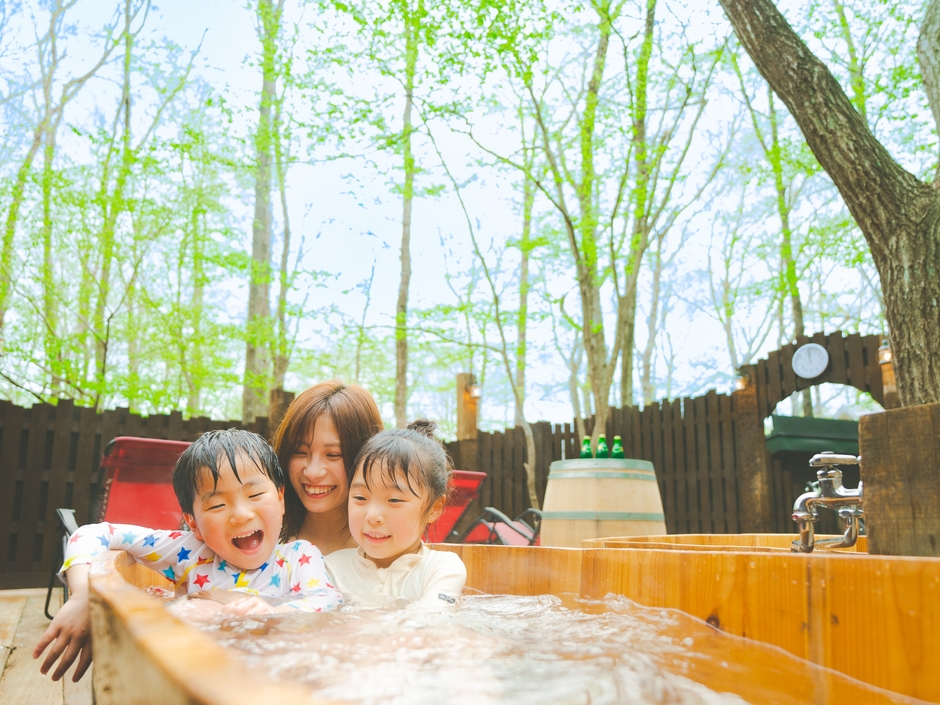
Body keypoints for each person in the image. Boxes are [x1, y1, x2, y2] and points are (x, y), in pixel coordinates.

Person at [34, 429, 342, 683]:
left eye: (254, 495)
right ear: (193, 523)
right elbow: (92, 533)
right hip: (196, 677)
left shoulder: (298, 557)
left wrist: (274, 612)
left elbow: (326, 602)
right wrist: (83, 596)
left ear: (280, 497)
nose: (240, 514)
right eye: (217, 505)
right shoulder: (190, 552)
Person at [325, 420, 467, 609]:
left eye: (394, 500)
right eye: (360, 497)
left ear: (434, 507)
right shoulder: (331, 568)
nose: (373, 516)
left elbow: (431, 620)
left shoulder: (441, 569)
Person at [272, 380, 384, 554]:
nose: (313, 472)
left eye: (333, 455)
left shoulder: (393, 556)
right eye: (300, 452)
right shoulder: (260, 547)